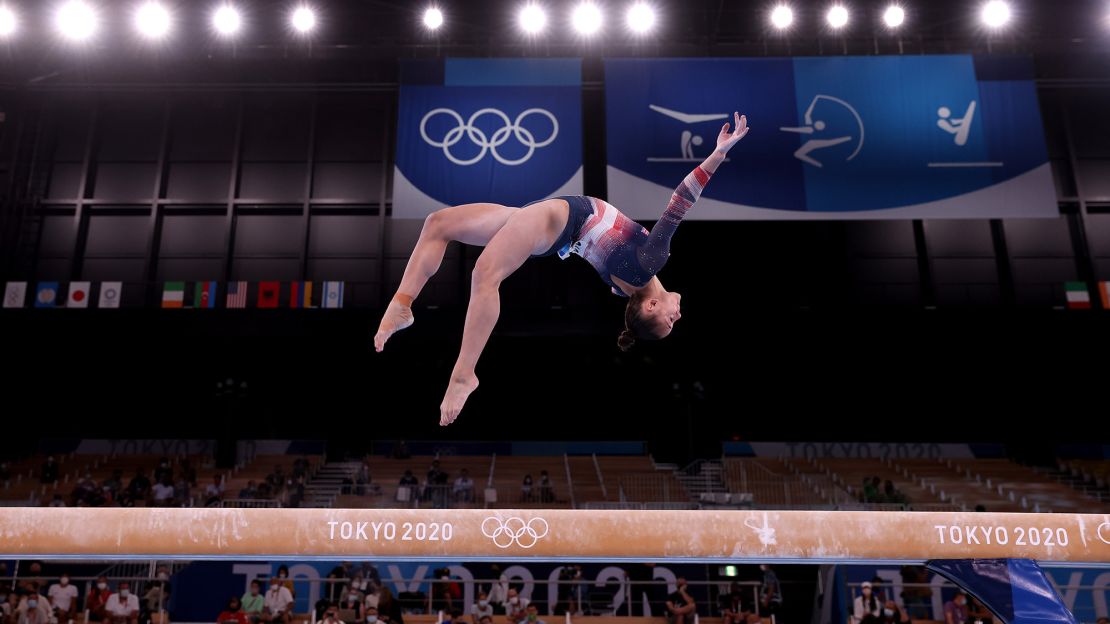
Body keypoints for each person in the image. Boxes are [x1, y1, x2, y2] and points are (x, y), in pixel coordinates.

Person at [374, 112, 751, 426]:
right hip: (549, 223)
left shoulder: (649, 265)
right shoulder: (627, 285)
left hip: (555, 221)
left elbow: (681, 200)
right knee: (438, 223)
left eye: (670, 322)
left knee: (484, 276)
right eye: (674, 322)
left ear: (651, 307)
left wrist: (719, 153)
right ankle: (403, 304)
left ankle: (463, 374)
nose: (677, 316)